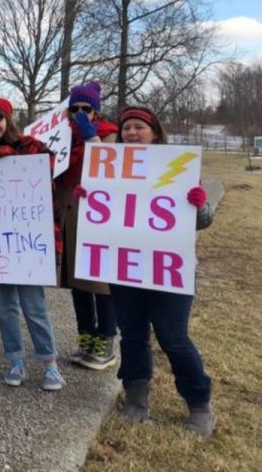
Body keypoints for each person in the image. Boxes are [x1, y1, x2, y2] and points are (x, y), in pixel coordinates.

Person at [97, 106, 216, 436]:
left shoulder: (179, 167)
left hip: (169, 270)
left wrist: (198, 204)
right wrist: (90, 200)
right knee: (133, 334)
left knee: (173, 336)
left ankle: (200, 405)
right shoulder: (109, 171)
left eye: (139, 127)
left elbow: (204, 221)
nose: (131, 133)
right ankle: (136, 400)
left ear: (155, 133)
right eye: (126, 129)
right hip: (126, 268)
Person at [0, 97, 64, 391]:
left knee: (34, 306)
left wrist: (10, 156)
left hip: (27, 244)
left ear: (9, 121)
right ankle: (15, 360)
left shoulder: (33, 147)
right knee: (5, 307)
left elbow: (48, 172)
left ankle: (50, 364)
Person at [55, 82, 119, 371]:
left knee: (101, 281)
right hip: (69, 212)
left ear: (96, 112)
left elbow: (112, 168)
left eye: (86, 109)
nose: (80, 114)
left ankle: (106, 338)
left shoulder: (109, 134)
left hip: (98, 214)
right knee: (76, 279)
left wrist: (92, 138)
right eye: (75, 109)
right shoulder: (62, 138)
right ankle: (86, 336)